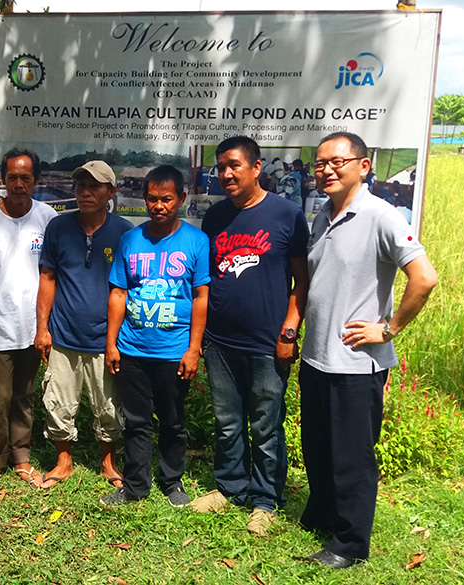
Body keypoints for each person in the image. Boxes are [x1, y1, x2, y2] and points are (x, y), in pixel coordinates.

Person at [299, 132, 437, 567]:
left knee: (351, 455)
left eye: (338, 161)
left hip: (356, 365)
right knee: (318, 445)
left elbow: (424, 278)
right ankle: (323, 514)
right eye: (320, 163)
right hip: (317, 355)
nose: (327, 170)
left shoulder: (381, 215)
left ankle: (351, 543)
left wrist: (388, 329)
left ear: (363, 165)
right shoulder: (323, 213)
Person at [192, 136, 309, 536]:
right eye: (221, 166)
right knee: (227, 423)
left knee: (265, 425)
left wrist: (289, 330)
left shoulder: (286, 215)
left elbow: (302, 281)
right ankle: (229, 487)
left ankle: (265, 500)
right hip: (221, 342)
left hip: (267, 343)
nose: (226, 173)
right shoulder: (216, 217)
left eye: (234, 166)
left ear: (256, 168)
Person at [101, 165, 210, 507]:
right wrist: (112, 344)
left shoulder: (196, 241)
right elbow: (118, 293)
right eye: (152, 199)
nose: (158, 206)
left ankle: (172, 482)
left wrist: (194, 349)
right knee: (136, 421)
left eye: (166, 199)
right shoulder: (131, 240)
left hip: (174, 350)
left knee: (173, 420)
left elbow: (201, 297)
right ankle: (135, 485)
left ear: (181, 198)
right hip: (133, 348)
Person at [34, 161, 132, 489]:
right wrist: (42, 328)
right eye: (80, 186)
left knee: (108, 405)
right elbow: (47, 278)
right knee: (58, 401)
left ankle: (108, 463)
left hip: (107, 338)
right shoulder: (59, 228)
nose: (86, 193)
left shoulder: (124, 232)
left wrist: (119, 338)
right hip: (63, 335)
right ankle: (64, 462)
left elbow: (129, 288)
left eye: (95, 187)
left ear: (111, 192)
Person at [0, 148, 57, 486]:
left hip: (33, 327)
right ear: (2, 180)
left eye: (25, 178)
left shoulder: (47, 217)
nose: (18, 184)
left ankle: (21, 458)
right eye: (12, 178)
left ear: (35, 181)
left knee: (24, 396)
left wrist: (46, 328)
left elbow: (51, 276)